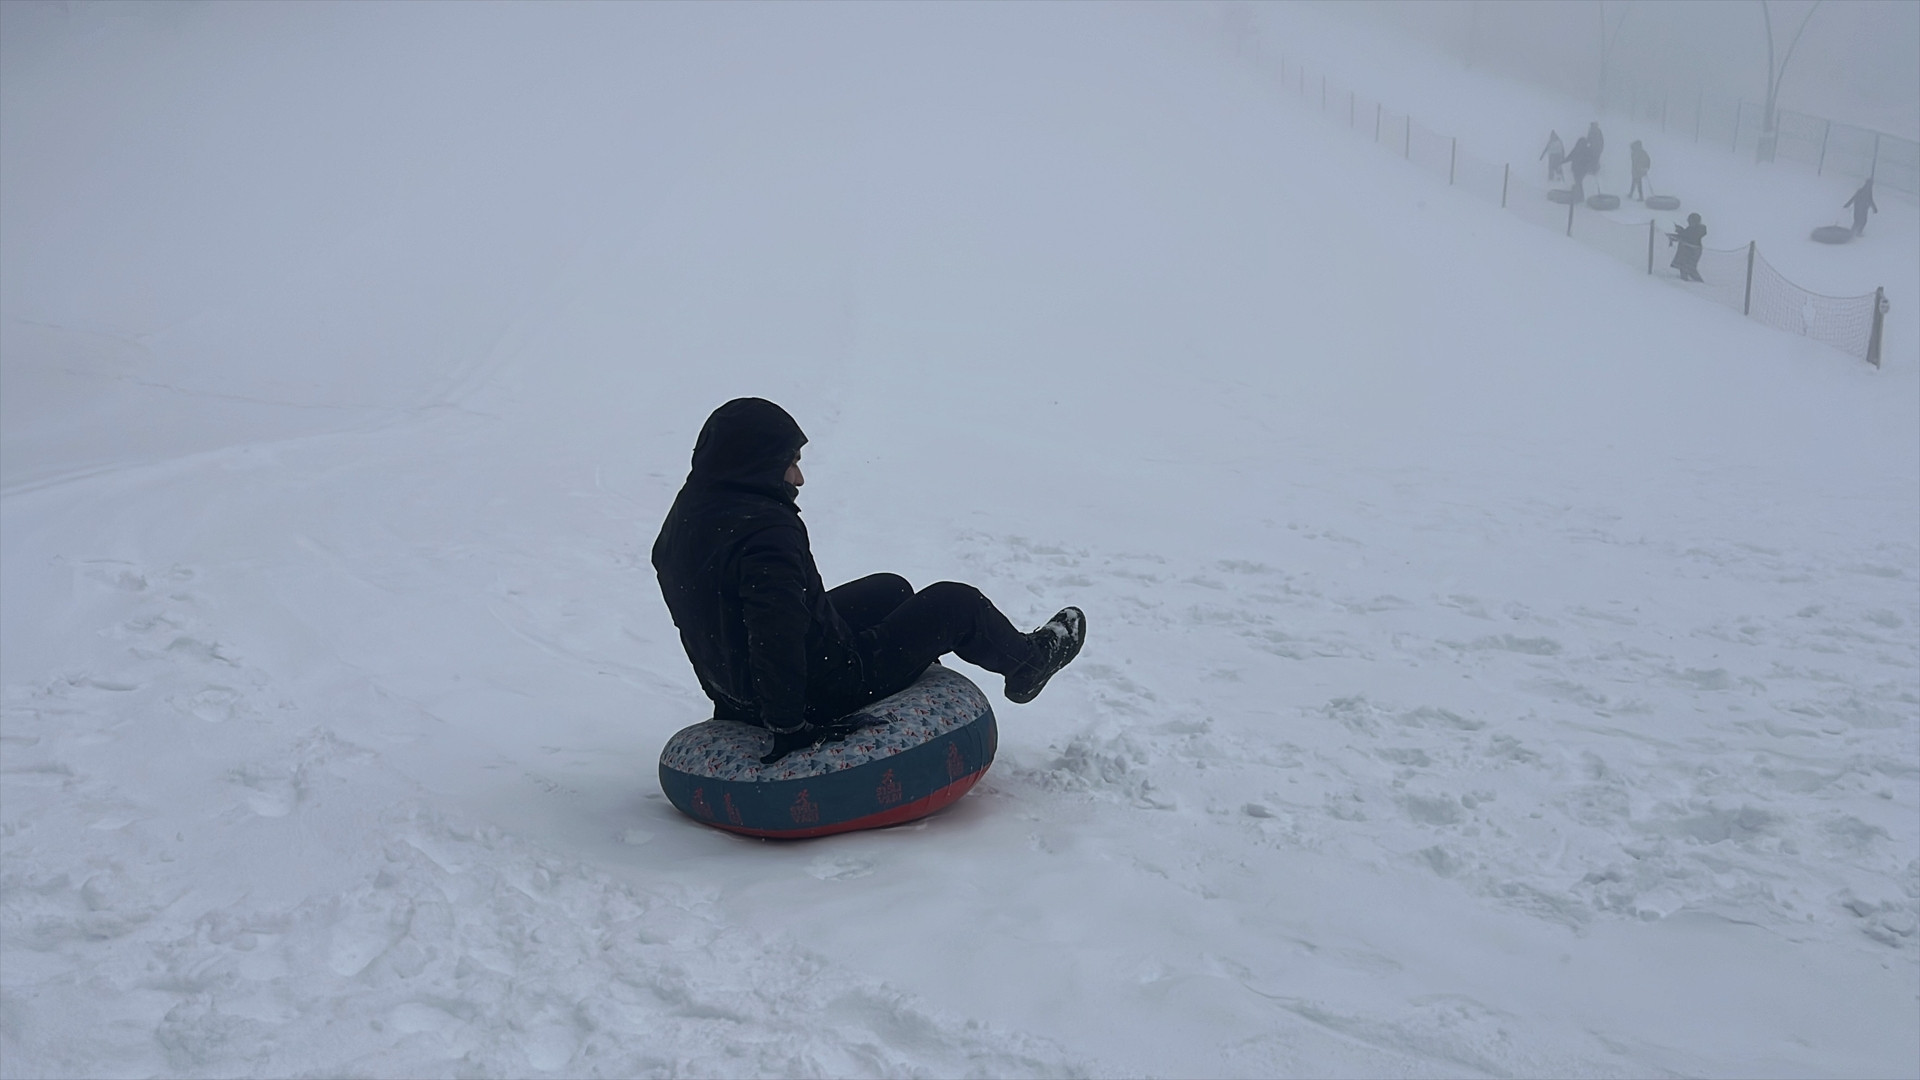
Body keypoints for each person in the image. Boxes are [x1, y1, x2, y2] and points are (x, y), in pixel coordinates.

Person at [653, 398, 1087, 762]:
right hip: (819, 689)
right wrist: (788, 723)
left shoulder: (688, 517)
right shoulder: (767, 533)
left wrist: (732, 698)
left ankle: (906, 655)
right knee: (957, 604)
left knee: (890, 589)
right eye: (790, 464)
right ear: (757, 463)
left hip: (739, 691)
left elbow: (704, 619)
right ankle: (1027, 665)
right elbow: (775, 633)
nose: (799, 478)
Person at [1668, 212, 1706, 282]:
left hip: (1693, 250)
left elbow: (1689, 236)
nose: (1688, 222)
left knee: (1690, 267)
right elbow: (1685, 235)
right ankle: (1684, 280)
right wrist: (1680, 232)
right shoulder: (1691, 228)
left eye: (1690, 221)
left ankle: (1698, 282)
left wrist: (1680, 232)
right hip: (1686, 249)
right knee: (1682, 265)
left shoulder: (1699, 229)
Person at [1567, 134, 1594, 199]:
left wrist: (1563, 161)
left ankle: (1579, 196)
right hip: (1580, 169)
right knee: (1579, 182)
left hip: (1578, 168)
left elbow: (1570, 156)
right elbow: (1589, 159)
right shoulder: (1586, 149)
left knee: (1578, 182)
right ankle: (1580, 195)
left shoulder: (1577, 149)